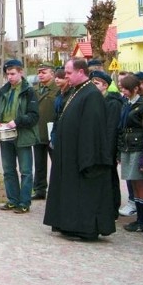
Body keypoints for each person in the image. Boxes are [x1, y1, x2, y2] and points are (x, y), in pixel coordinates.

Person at [43, 58, 115, 240]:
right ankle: (68, 224)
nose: (65, 77)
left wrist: (87, 157)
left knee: (84, 194)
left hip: (82, 155)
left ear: (80, 72)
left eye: (68, 73)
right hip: (69, 154)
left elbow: (92, 129)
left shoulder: (91, 95)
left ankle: (85, 228)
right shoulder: (77, 92)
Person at [0, 59, 39, 214]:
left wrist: (17, 121)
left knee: (25, 171)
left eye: (13, 74)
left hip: (23, 135)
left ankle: (24, 202)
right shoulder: (4, 90)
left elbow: (34, 116)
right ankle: (12, 200)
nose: (10, 77)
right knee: (8, 169)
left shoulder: (29, 91)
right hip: (5, 135)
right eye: (8, 74)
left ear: (21, 72)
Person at [90, 70, 123, 217]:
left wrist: (108, 152)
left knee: (110, 178)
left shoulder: (113, 103)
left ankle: (113, 208)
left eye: (96, 83)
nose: (93, 86)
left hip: (108, 148)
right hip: (98, 147)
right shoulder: (95, 100)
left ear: (105, 86)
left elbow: (111, 129)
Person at [117, 74, 143, 232]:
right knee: (133, 182)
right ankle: (139, 219)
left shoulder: (142, 105)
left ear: (136, 88)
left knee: (141, 183)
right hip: (128, 146)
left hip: (137, 147)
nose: (124, 91)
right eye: (122, 88)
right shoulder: (126, 103)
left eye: (126, 89)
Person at [32, 63, 58, 200]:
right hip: (38, 131)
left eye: (44, 72)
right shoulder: (35, 89)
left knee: (57, 162)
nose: (40, 74)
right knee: (39, 163)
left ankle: (57, 189)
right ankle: (40, 189)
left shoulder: (58, 89)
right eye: (39, 72)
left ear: (52, 74)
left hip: (53, 131)